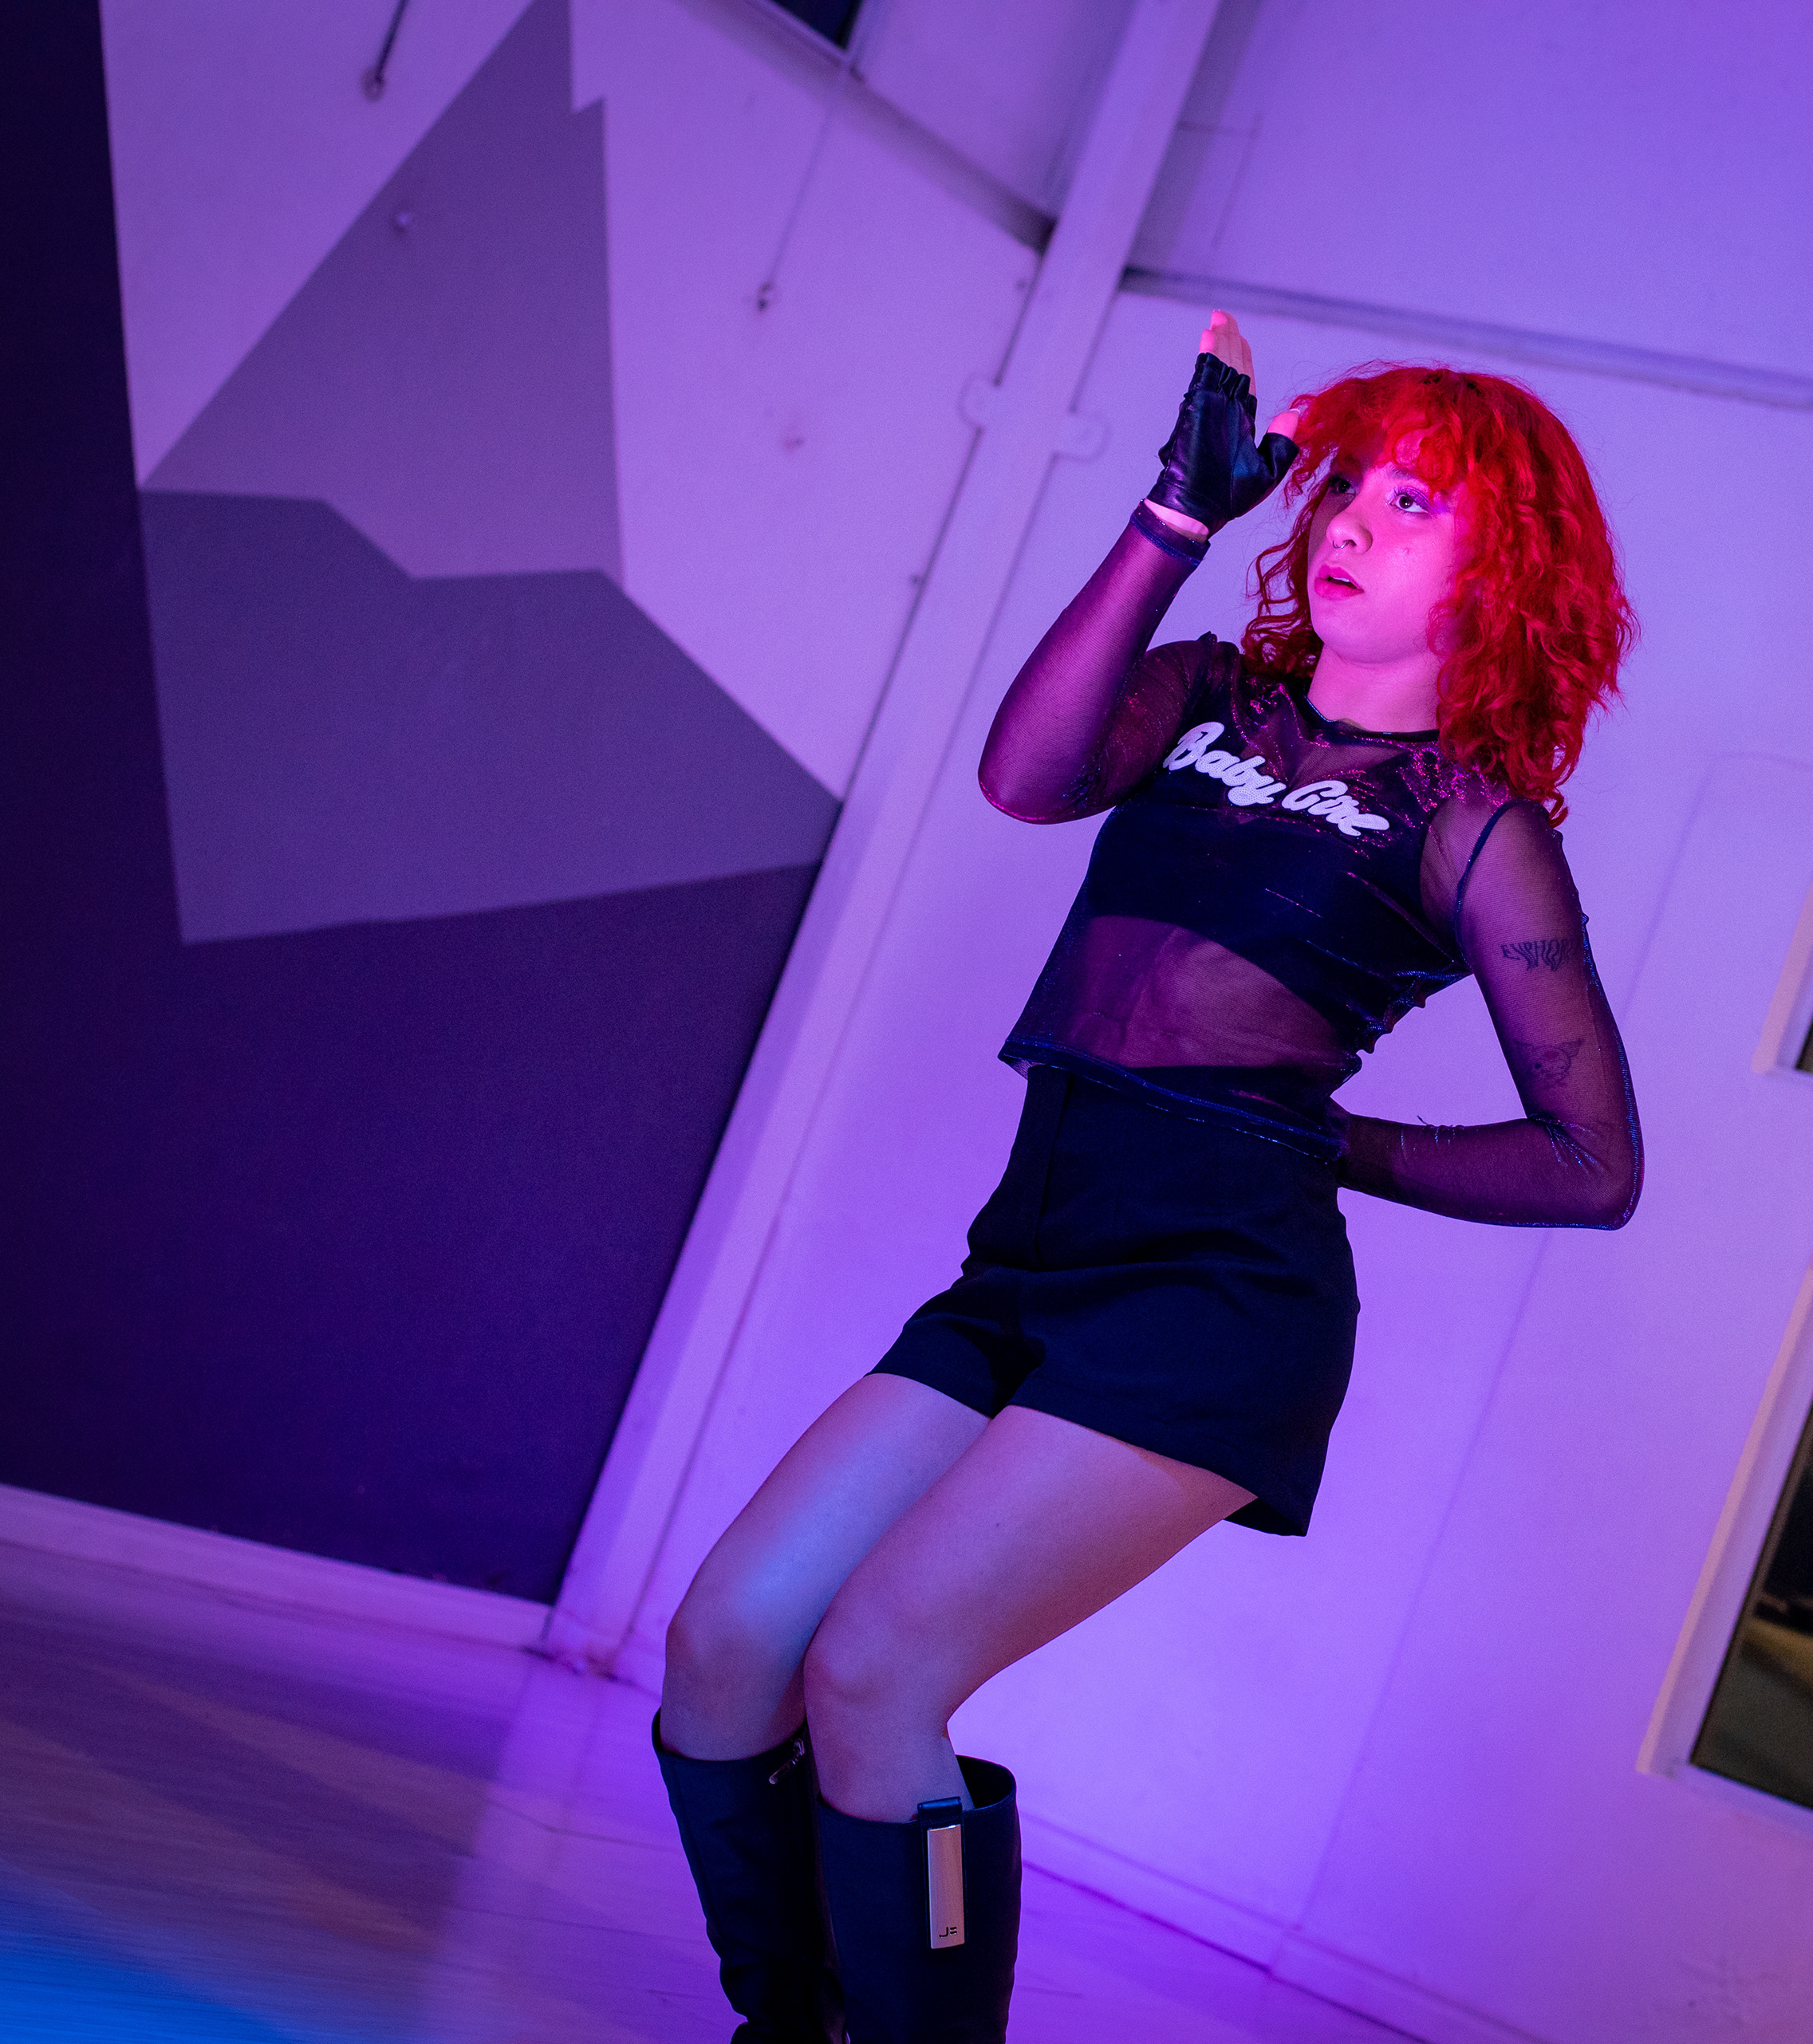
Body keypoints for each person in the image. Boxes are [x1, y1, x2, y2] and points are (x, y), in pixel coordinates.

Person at [650, 311, 1642, 2042]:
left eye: (1416, 505)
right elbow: (1022, 777)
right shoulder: (1205, 692)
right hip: (1028, 1263)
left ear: (1504, 572)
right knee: (731, 1641)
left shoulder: (1475, 825)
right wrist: (1173, 517)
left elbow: (1593, 1164)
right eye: (1349, 488)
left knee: (877, 1668)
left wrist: (1322, 1138)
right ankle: (793, 2025)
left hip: (1216, 1310)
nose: (1352, 524)